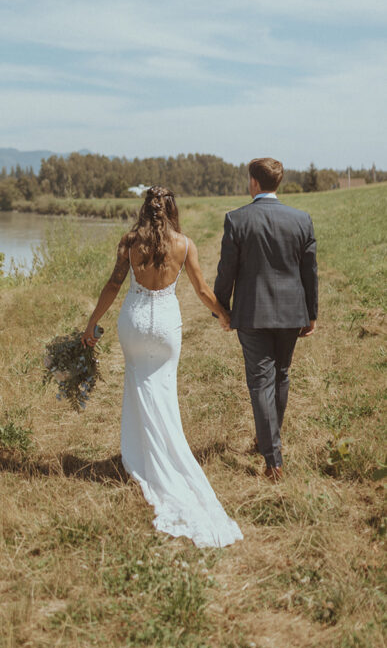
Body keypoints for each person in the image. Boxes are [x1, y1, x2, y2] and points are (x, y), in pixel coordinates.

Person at [82, 185, 243, 548]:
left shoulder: (129, 242)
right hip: (167, 325)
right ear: (172, 210)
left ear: (145, 208)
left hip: (135, 322)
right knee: (163, 389)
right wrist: (223, 315)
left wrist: (92, 322)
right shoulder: (184, 244)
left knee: (139, 384)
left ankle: (140, 456)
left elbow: (112, 284)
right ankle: (164, 453)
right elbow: (202, 290)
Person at [214, 157, 318, 482]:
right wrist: (311, 313)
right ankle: (267, 441)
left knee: (261, 382)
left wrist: (221, 308)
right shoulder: (301, 220)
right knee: (281, 376)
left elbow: (226, 270)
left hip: (252, 313)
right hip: (291, 313)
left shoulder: (237, 219)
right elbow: (309, 272)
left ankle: (273, 461)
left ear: (255, 183)